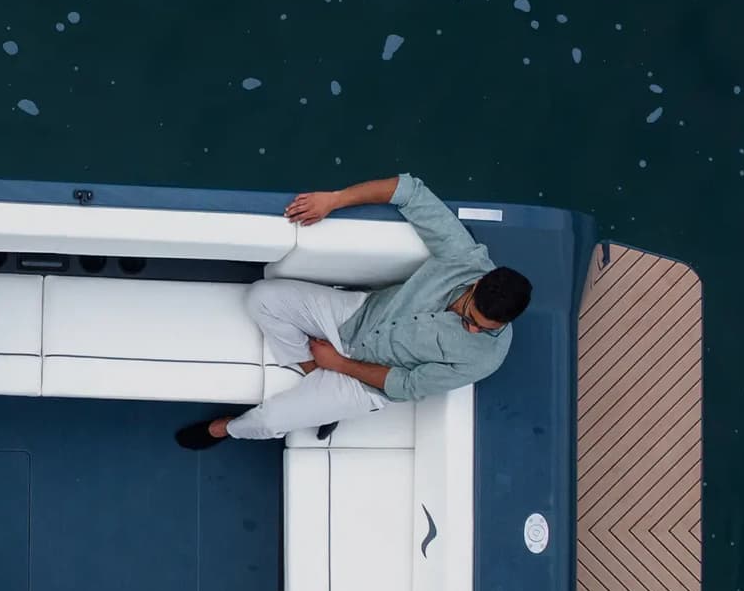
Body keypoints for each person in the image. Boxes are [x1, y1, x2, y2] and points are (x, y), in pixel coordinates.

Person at [174, 172, 532, 448]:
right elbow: (409, 190)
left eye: (486, 329)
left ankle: (223, 429)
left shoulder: (484, 359)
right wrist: (333, 200)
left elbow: (406, 385)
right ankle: (311, 372)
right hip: (356, 314)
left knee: (270, 421)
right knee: (261, 298)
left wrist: (340, 365)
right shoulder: (464, 258)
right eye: (471, 319)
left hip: (371, 386)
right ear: (475, 285)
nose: (472, 330)